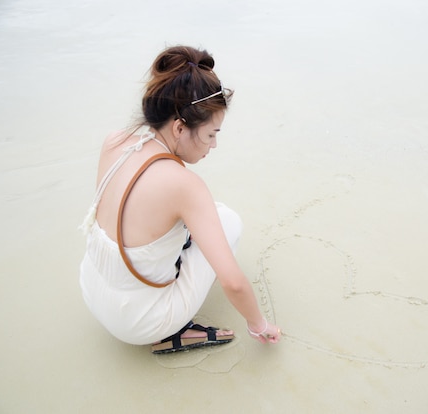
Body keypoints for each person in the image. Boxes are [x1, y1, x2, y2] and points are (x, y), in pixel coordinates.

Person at [79, 45, 281, 354]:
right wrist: (260, 325)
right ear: (179, 127)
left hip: (92, 292)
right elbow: (233, 283)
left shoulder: (115, 141)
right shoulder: (184, 185)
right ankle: (172, 330)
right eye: (211, 134)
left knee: (188, 219)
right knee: (227, 221)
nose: (213, 145)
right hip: (138, 323)